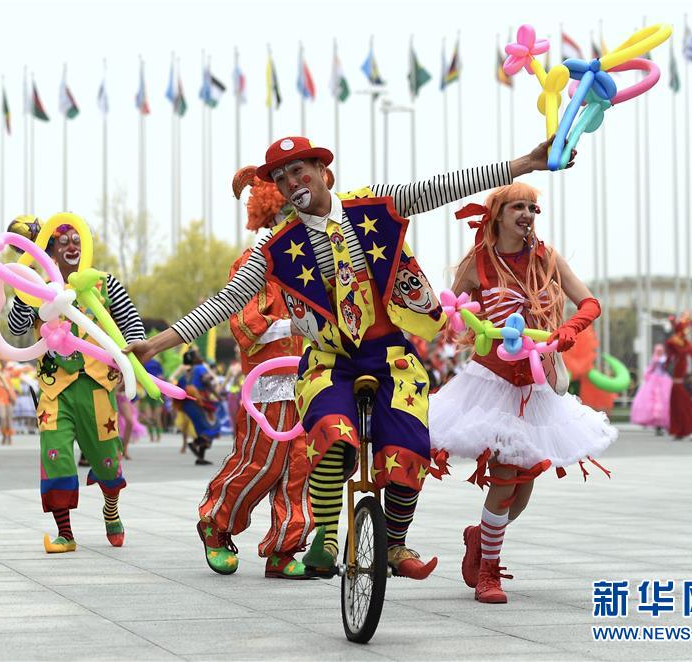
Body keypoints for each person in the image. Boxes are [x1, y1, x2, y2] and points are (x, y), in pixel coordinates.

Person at [127, 134, 563, 580]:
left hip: (391, 353)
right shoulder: (276, 245)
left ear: (322, 173)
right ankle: (328, 537)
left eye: (299, 171)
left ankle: (395, 542)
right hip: (329, 359)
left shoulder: (373, 205)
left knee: (408, 445)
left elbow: (441, 187)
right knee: (332, 439)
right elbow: (229, 299)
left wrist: (526, 162)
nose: (291, 182)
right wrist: (155, 344)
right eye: (281, 177)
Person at [428, 182, 617, 603]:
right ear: (497, 214)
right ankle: (488, 576)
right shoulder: (479, 261)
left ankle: (480, 536)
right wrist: (457, 321)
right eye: (518, 206)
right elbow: (450, 312)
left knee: (521, 493)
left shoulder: (547, 257)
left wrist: (568, 329)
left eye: (533, 207)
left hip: (538, 382)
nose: (527, 213)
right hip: (490, 383)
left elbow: (589, 303)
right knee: (505, 478)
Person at [196, 168, 313, 579]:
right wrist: (296, 326)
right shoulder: (254, 262)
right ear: (271, 215)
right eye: (285, 212)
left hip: (316, 378)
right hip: (269, 382)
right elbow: (245, 324)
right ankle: (216, 522)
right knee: (262, 460)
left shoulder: (320, 259)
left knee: (303, 465)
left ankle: (285, 547)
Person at [6, 216, 145, 553]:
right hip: (55, 389)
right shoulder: (37, 288)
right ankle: (65, 534)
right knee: (55, 456)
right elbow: (15, 329)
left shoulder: (104, 283)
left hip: (97, 386)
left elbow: (132, 325)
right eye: (63, 241)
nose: (72, 246)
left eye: (76, 239)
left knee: (107, 462)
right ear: (52, 248)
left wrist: (134, 362)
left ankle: (110, 509)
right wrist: (27, 289)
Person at [665, 313, 692, 440]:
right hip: (677, 377)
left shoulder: (681, 343)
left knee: (683, 404)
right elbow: (672, 355)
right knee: (678, 404)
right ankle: (680, 431)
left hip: (678, 378)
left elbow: (688, 356)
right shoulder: (680, 342)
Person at [177, 348, 221, 466]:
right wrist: (217, 395)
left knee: (202, 430)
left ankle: (200, 458)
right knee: (214, 426)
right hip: (199, 403)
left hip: (188, 405)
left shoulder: (184, 375)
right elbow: (206, 381)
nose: (200, 356)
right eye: (198, 355)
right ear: (194, 359)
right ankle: (195, 444)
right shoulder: (200, 368)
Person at [630, 344, 672, 434]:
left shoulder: (665, 358)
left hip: (664, 380)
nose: (660, 352)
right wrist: (647, 375)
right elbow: (651, 368)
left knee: (665, 401)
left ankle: (664, 425)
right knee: (655, 403)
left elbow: (666, 368)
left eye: (661, 350)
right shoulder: (655, 359)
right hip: (655, 380)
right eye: (658, 350)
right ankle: (658, 427)